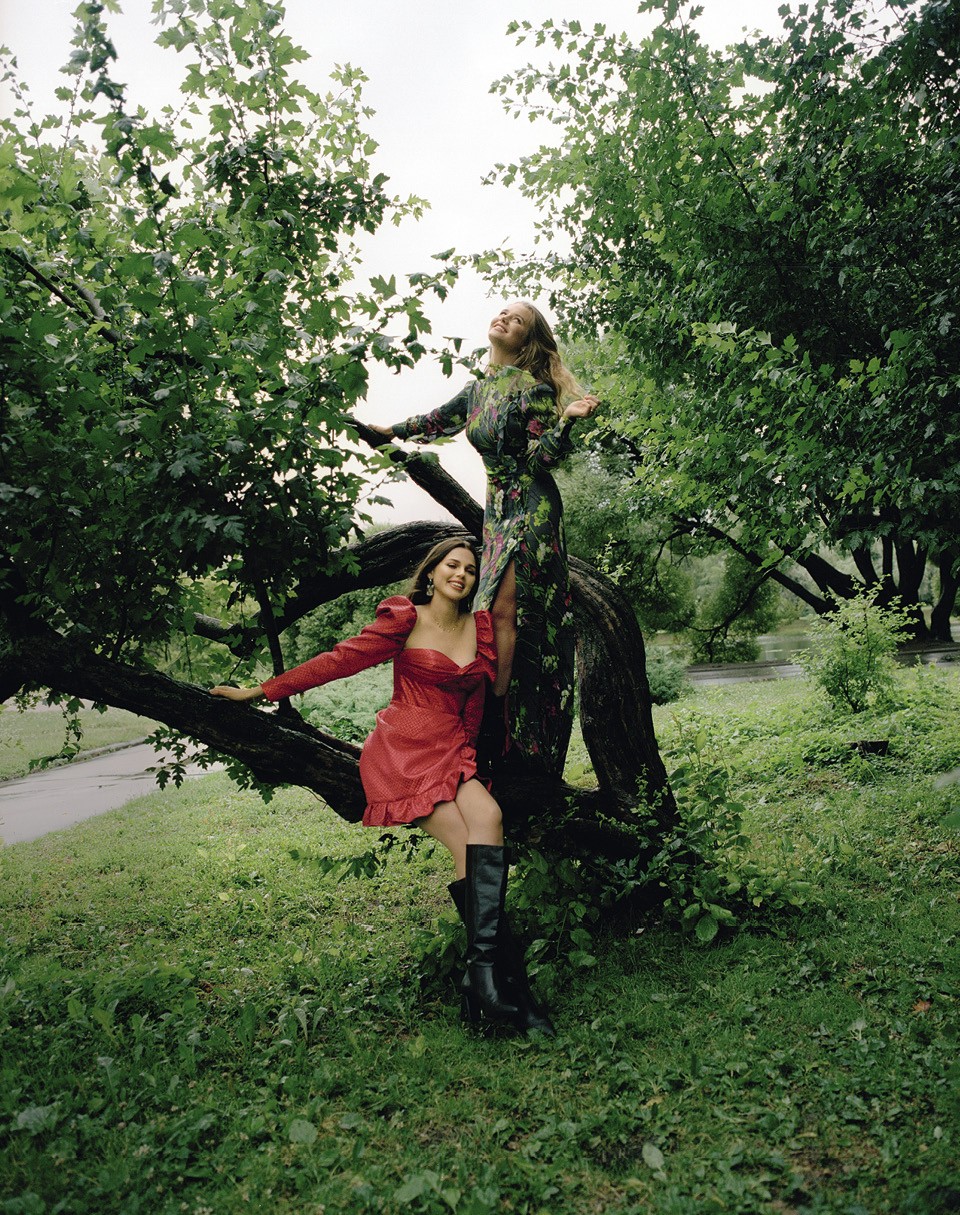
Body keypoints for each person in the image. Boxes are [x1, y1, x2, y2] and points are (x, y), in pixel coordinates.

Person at [210, 537, 554, 1035]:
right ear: (431, 572)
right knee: (469, 843)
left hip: (451, 750)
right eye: (451, 565)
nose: (460, 574)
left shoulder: (478, 628)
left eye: (470, 569)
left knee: (489, 818)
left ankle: (484, 980)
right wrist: (259, 691)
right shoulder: (405, 619)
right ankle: (504, 988)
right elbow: (338, 660)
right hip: (403, 752)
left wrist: (516, 539)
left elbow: (495, 661)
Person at [369, 301, 599, 783]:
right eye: (502, 313)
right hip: (497, 511)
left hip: (533, 507)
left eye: (517, 321)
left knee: (503, 611)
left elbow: (541, 460)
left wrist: (567, 420)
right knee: (486, 610)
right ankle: (486, 712)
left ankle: (494, 719)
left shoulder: (534, 391)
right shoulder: (477, 390)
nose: (504, 320)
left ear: (527, 340)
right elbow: (437, 420)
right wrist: (390, 432)